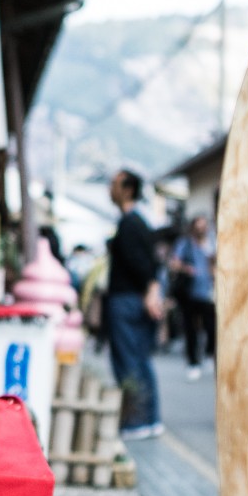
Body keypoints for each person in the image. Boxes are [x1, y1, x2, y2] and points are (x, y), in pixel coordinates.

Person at [105, 168, 165, 439]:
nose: (110, 189)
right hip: (137, 301)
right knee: (140, 360)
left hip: (126, 301)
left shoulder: (129, 224)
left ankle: (136, 422)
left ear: (127, 189)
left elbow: (140, 263)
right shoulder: (140, 222)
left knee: (128, 361)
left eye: (114, 184)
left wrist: (151, 288)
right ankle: (150, 420)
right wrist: (153, 289)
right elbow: (150, 263)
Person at [169, 213, 217, 380]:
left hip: (209, 292)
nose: (201, 229)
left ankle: (210, 354)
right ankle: (193, 362)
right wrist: (186, 269)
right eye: (199, 225)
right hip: (189, 292)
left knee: (211, 327)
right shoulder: (185, 244)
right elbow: (174, 263)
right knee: (191, 329)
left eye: (204, 225)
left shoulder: (212, 243)